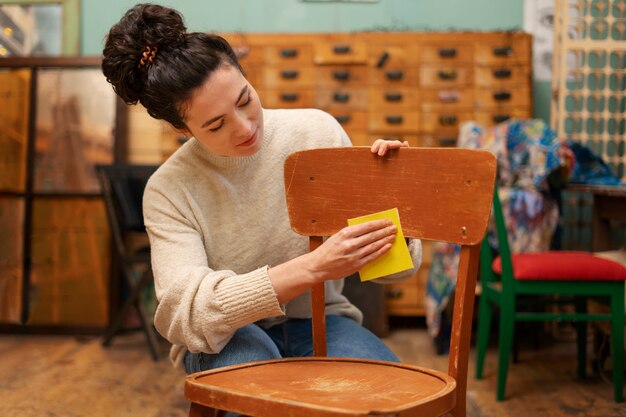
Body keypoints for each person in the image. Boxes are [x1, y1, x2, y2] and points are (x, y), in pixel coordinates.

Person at [102, 3, 422, 374]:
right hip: (228, 335)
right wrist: (313, 268)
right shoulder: (170, 190)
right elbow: (187, 314)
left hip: (320, 319)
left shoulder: (316, 134)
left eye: (245, 100)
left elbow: (396, 271)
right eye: (216, 125)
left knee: (385, 393)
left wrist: (389, 200)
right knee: (254, 390)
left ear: (246, 76)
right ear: (183, 130)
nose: (244, 128)